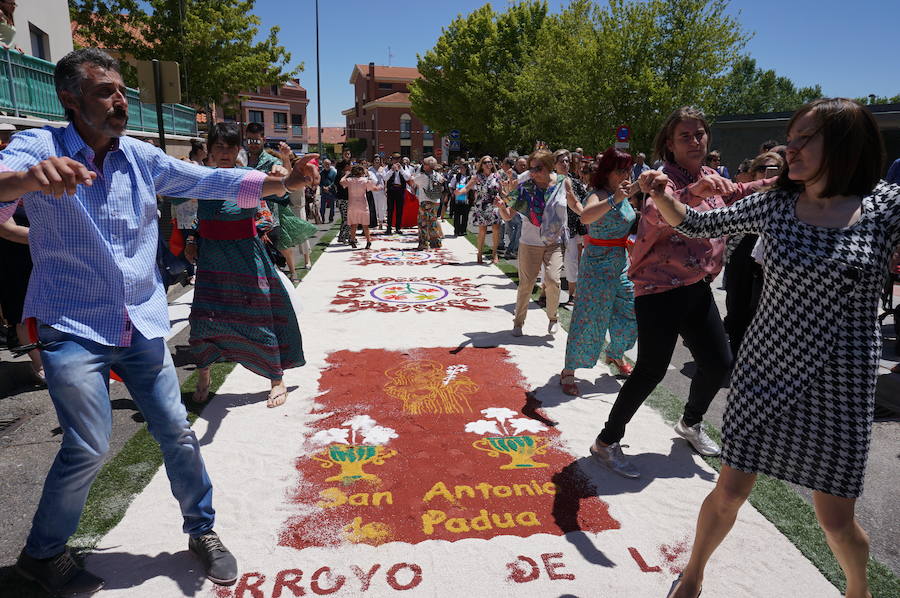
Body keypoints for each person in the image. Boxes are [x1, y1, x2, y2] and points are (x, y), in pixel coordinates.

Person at [0, 48, 319, 595]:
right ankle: (42, 554)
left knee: (176, 430)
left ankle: (203, 531)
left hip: (141, 320)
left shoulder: (142, 157)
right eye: (105, 91)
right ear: (70, 99)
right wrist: (29, 179)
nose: (120, 100)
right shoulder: (40, 146)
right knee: (90, 443)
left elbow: (211, 181)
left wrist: (282, 184)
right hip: (71, 322)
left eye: (122, 90)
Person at [652, 98, 895, 598]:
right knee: (730, 490)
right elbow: (695, 224)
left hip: (841, 385)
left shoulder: (886, 207)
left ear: (845, 145)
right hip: (767, 370)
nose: (791, 148)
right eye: (791, 137)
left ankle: (858, 590)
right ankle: (693, 574)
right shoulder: (776, 203)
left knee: (834, 518)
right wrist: (660, 194)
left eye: (806, 139)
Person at [590, 106, 774, 479]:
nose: (695, 141)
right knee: (650, 370)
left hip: (696, 287)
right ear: (670, 145)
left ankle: (690, 423)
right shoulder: (660, 179)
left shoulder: (711, 175)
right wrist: (692, 192)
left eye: (700, 133)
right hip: (658, 291)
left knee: (720, 363)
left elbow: (738, 192)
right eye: (685, 136)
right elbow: (659, 215)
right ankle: (606, 442)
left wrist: (778, 183)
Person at [186, 123, 306, 408]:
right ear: (210, 151)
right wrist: (192, 238)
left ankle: (276, 378)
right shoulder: (201, 178)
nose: (224, 152)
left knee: (258, 317)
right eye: (218, 147)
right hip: (212, 260)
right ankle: (204, 376)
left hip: (245, 258)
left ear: (237, 149)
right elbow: (197, 217)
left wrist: (286, 173)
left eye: (229, 147)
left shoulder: (249, 177)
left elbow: (282, 190)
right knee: (203, 319)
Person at [561, 147, 639, 395]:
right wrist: (616, 198)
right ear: (607, 172)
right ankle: (569, 369)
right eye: (621, 170)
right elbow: (585, 217)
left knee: (630, 311)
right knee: (588, 316)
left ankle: (614, 353)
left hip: (620, 262)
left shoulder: (624, 192)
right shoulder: (599, 194)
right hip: (596, 265)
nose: (626, 174)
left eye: (628, 169)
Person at [497, 149, 584, 336]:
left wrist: (588, 215)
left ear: (549, 166)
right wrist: (501, 207)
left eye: (537, 168)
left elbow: (574, 204)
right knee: (526, 284)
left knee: (553, 280)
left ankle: (553, 318)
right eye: (531, 168)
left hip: (554, 242)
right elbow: (508, 215)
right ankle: (518, 322)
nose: (533, 172)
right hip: (529, 242)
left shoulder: (563, 183)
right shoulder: (525, 187)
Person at [723, 151, 784, 356]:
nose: (767, 174)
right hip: (742, 253)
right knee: (737, 302)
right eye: (761, 169)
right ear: (752, 174)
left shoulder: (790, 201)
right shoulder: (744, 199)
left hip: (768, 263)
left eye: (775, 169)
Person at [554, 149, 587, 305]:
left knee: (571, 262)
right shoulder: (548, 181)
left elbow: (581, 200)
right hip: (551, 231)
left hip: (570, 230)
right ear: (554, 164)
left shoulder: (574, 182)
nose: (565, 163)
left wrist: (587, 216)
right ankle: (545, 295)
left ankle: (572, 295)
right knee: (548, 264)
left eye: (567, 161)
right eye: (562, 161)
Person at [460, 155, 502, 263]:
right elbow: (467, 187)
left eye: (490, 162)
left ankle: (494, 253)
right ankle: (479, 253)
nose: (488, 164)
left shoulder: (497, 176)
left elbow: (502, 191)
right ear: (481, 165)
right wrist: (459, 192)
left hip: (494, 205)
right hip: (481, 205)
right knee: (482, 230)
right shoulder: (477, 176)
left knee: (496, 229)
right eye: (486, 162)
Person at [407, 156, 445, 249]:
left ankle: (423, 244)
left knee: (422, 223)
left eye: (424, 163)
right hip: (436, 201)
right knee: (433, 222)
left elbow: (412, 182)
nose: (422, 165)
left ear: (428, 165)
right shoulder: (437, 175)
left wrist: (413, 176)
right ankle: (435, 243)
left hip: (425, 201)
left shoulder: (422, 176)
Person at [341, 164, 381, 248]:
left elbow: (341, 182)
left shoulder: (350, 180)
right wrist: (380, 187)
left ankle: (352, 240)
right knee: (365, 225)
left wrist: (346, 174)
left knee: (354, 224)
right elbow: (373, 188)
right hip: (362, 204)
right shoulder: (365, 180)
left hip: (352, 204)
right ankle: (368, 241)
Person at [499, 157, 522, 258]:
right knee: (510, 226)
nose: (502, 165)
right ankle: (513, 248)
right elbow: (510, 192)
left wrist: (505, 197)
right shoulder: (508, 174)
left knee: (516, 227)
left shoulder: (516, 175)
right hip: (510, 204)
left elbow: (512, 192)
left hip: (516, 205)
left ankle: (512, 249)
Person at [384, 153, 411, 234]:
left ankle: (398, 228)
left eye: (398, 159)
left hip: (400, 190)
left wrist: (401, 170)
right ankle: (389, 227)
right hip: (391, 190)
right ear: (392, 159)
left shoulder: (404, 167)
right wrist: (392, 170)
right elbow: (385, 178)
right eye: (395, 159)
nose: (396, 160)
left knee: (400, 209)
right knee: (390, 209)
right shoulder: (388, 167)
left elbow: (407, 177)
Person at [449, 162, 472, 237]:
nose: (460, 169)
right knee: (457, 215)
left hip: (467, 199)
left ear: (466, 168)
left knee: (465, 215)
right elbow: (451, 186)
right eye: (460, 168)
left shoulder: (470, 177)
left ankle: (463, 230)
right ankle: (457, 230)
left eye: (462, 168)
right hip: (457, 199)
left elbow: (474, 188)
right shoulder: (456, 176)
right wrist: (452, 193)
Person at [370, 155, 388, 227]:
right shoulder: (370, 169)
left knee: (381, 206)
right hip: (373, 189)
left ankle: (381, 221)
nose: (377, 161)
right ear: (373, 161)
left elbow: (385, 179)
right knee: (374, 206)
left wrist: (385, 188)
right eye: (376, 160)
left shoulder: (383, 169)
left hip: (381, 189)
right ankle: (375, 222)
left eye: (378, 160)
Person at [319, 158, 337, 222]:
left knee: (332, 207)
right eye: (325, 164)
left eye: (328, 164)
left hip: (331, 192)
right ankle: (322, 218)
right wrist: (323, 187)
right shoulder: (321, 173)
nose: (327, 165)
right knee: (322, 207)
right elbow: (319, 182)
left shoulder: (333, 172)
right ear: (323, 164)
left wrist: (329, 187)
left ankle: (331, 218)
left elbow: (335, 181)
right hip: (323, 192)